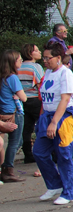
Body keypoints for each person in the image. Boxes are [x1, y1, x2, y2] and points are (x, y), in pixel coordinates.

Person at [34, 42, 73, 205]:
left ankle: (69, 192)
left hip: (64, 117)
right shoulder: (47, 72)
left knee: (63, 155)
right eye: (44, 58)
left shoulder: (65, 74)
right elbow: (45, 100)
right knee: (39, 152)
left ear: (58, 58)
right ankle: (54, 185)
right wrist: (42, 120)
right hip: (48, 116)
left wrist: (54, 122)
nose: (45, 61)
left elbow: (65, 98)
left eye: (48, 58)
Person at [0, 50, 27, 182]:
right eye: (19, 59)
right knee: (15, 141)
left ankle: (5, 167)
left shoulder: (2, 78)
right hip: (14, 113)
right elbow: (24, 97)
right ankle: (7, 169)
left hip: (3, 113)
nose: (21, 61)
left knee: (6, 142)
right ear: (12, 62)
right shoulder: (13, 78)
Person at [18, 44, 45, 165]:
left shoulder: (19, 67)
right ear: (30, 53)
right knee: (42, 125)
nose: (39, 52)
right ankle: (45, 151)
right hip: (35, 99)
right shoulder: (36, 67)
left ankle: (27, 154)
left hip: (22, 100)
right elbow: (41, 84)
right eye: (37, 50)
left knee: (26, 128)